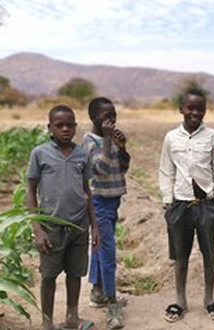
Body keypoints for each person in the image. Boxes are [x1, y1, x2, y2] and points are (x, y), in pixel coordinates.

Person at [26, 104, 100, 330]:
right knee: (48, 275)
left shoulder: (81, 154)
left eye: (70, 125)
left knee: (75, 272)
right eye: (59, 125)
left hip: (79, 225)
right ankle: (47, 322)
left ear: (76, 127)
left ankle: (72, 316)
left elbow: (86, 190)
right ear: (50, 128)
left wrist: (94, 226)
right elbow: (30, 191)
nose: (65, 129)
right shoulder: (40, 153)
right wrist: (37, 229)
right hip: (52, 225)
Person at [159, 89, 214, 323]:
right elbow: (166, 170)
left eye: (200, 108)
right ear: (181, 109)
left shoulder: (212, 136)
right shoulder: (171, 138)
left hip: (207, 206)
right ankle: (180, 300)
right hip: (180, 205)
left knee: (210, 254)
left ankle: (209, 299)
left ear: (205, 111)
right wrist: (168, 203)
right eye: (191, 108)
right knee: (181, 256)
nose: (195, 112)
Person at [84, 97, 130, 330]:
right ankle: (112, 305)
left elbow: (123, 167)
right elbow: (99, 169)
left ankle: (98, 291)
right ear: (93, 118)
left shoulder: (110, 139)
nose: (111, 120)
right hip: (99, 202)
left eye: (113, 115)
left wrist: (121, 148)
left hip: (113, 200)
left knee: (99, 248)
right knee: (107, 252)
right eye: (106, 116)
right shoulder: (90, 141)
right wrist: (108, 140)